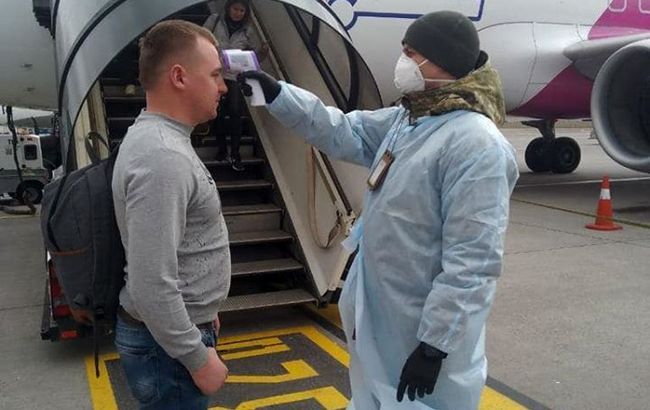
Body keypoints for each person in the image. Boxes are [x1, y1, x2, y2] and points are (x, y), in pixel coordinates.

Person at [240, 10, 519, 410]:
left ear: (443, 60)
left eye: (412, 53)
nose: (403, 61)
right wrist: (279, 95)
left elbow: (473, 261)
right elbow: (344, 130)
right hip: (385, 319)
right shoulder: (411, 119)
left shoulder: (476, 145)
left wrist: (436, 345)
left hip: (419, 330)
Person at [112, 20, 230, 409]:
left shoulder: (161, 139)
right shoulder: (163, 155)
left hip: (173, 336)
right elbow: (151, 282)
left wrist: (205, 310)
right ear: (179, 77)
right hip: (168, 352)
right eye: (215, 75)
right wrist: (197, 357)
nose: (223, 87)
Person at [204, 0, 266, 171]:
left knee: (236, 112)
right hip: (214, 74)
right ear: (228, 8)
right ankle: (222, 149)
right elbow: (200, 40)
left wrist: (262, 54)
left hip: (234, 76)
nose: (238, 13)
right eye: (235, 9)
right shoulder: (215, 20)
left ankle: (235, 153)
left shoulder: (248, 30)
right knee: (216, 113)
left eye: (241, 10)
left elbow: (254, 58)